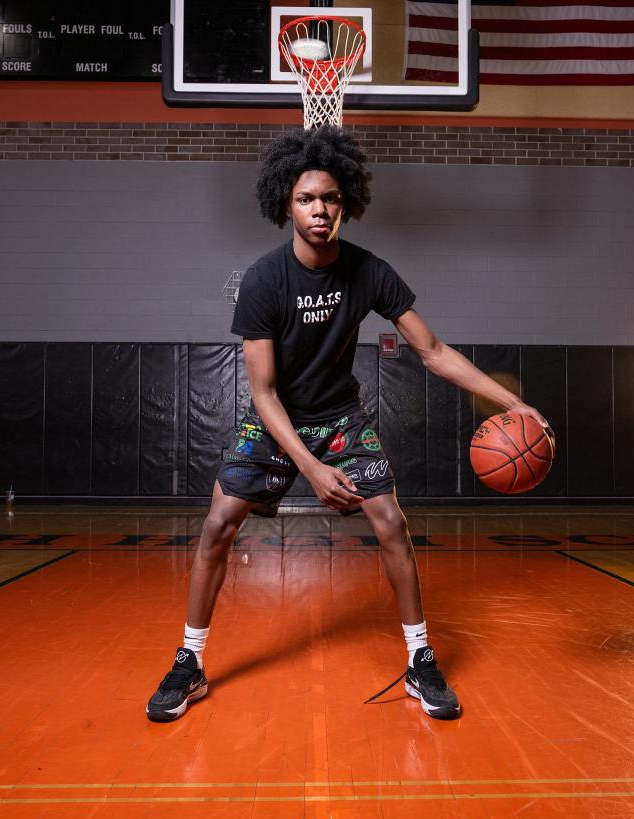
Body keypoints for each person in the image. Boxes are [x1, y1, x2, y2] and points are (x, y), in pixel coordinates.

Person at [147, 126, 548, 722]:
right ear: (286, 203)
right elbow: (261, 392)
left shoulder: (368, 271)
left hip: (339, 417)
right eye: (307, 198)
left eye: (330, 198)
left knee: (390, 519)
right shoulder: (263, 281)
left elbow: (433, 350)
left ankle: (419, 659)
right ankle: (190, 660)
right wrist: (310, 468)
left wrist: (509, 404)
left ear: (346, 203)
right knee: (218, 524)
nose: (319, 209)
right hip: (278, 419)